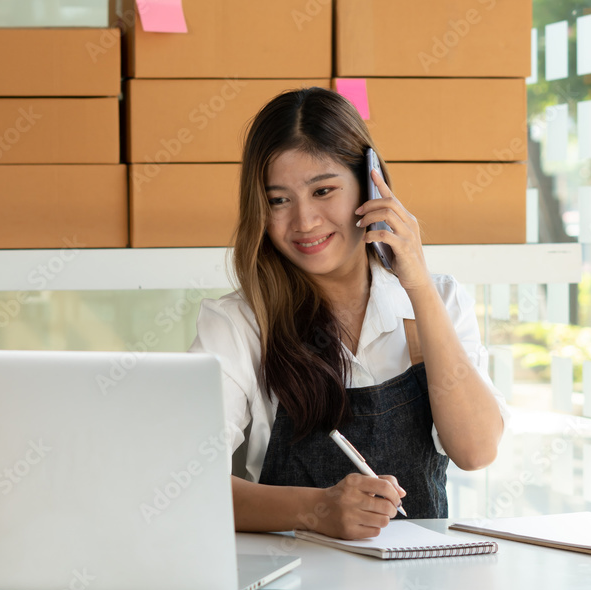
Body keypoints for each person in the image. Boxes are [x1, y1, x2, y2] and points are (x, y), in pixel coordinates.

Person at [189, 87, 509, 540]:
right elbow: (191, 487)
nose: (304, 221)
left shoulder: (435, 301)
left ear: (371, 182)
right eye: (278, 200)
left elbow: (476, 450)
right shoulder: (237, 324)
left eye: (323, 191)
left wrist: (417, 284)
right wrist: (316, 508)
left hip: (423, 589)